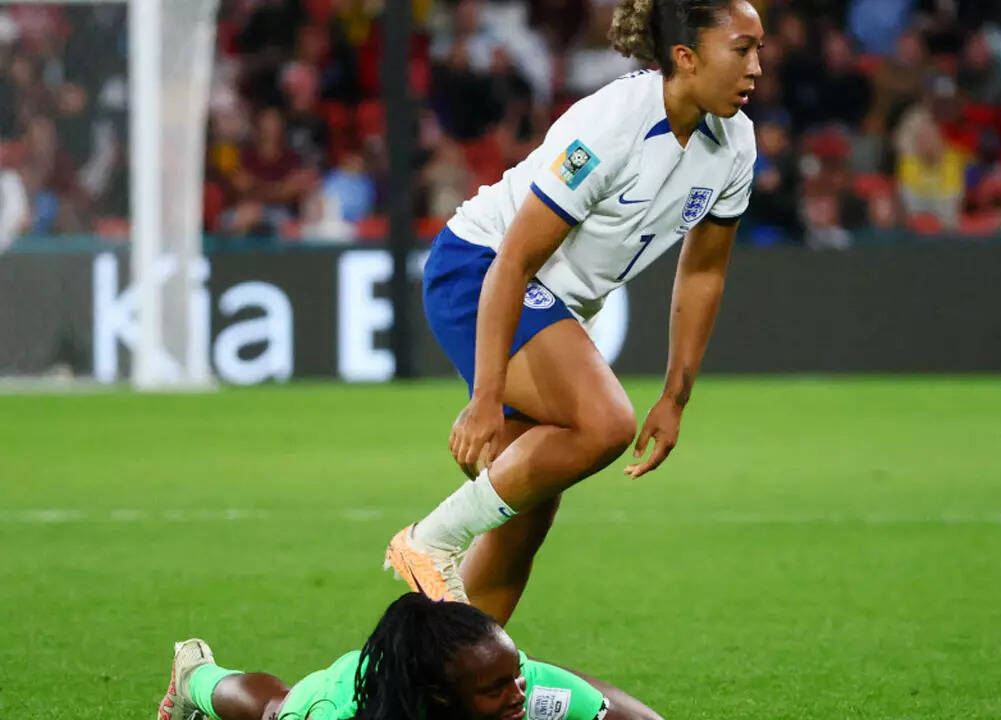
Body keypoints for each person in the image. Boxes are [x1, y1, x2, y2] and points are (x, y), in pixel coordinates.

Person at [383, 0, 763, 622]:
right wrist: (486, 397)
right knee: (605, 423)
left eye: (759, 51)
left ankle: (457, 667)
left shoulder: (736, 143)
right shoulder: (612, 123)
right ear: (687, 58)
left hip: (550, 298)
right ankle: (431, 539)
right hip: (479, 269)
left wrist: (675, 397)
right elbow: (513, 261)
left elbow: (702, 273)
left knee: (524, 519)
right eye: (741, 49)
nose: (755, 68)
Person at [157, 593, 661, 720]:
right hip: (342, 695)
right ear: (440, 696)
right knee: (273, 707)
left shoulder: (515, 684)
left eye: (516, 676)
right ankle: (195, 676)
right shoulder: (337, 713)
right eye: (496, 688)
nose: (518, 695)